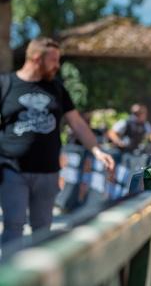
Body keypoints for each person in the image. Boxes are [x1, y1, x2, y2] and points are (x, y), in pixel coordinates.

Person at [0, 37, 115, 248]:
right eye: (53, 60)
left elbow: (77, 124)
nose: (57, 65)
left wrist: (97, 151)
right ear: (36, 58)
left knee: (43, 231)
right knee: (13, 226)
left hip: (48, 172)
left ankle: (39, 269)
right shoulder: (6, 85)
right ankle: (9, 269)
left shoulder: (56, 88)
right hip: (12, 170)